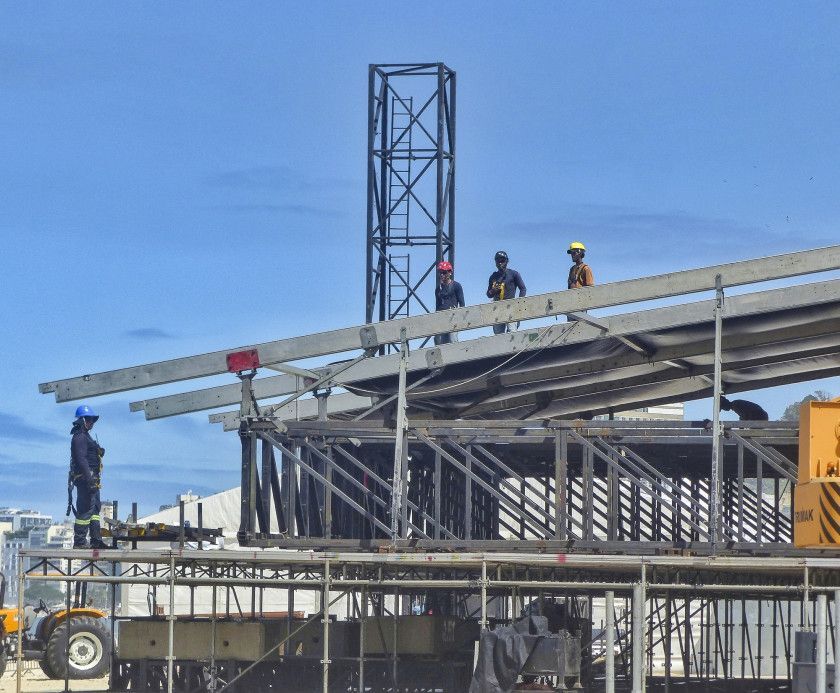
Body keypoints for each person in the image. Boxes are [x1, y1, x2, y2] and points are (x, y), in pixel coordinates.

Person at [69, 404, 108, 549]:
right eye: (90, 420)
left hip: (92, 479)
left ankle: (96, 540)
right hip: (86, 480)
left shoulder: (86, 436)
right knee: (85, 510)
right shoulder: (79, 437)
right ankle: (79, 542)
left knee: (95, 510)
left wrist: (98, 450)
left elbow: (88, 455)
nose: (92, 423)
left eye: (93, 420)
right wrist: (89, 479)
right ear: (83, 420)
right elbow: (81, 459)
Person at [486, 250, 526, 334]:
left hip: (511, 307)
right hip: (497, 308)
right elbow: (488, 294)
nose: (500, 263)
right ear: (495, 262)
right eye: (498, 261)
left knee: (512, 333)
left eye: (502, 260)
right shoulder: (493, 276)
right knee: (498, 335)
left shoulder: (514, 274)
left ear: (507, 261)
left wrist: (519, 303)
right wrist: (493, 291)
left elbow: (523, 289)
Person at [434, 260, 465, 345]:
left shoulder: (456, 286)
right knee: (440, 342)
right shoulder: (438, 289)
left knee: (452, 340)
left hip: (453, 318)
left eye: (444, 272)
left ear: (450, 272)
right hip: (441, 318)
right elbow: (437, 306)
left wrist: (460, 318)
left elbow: (462, 304)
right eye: (440, 272)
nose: (441, 275)